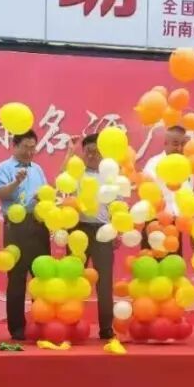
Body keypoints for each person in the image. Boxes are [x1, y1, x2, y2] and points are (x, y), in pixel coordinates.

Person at [0, 130, 49, 340]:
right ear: (14, 145)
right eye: (25, 147)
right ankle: (17, 328)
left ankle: (42, 323)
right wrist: (16, 182)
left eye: (32, 147)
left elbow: (46, 192)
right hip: (16, 227)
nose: (29, 152)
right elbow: (1, 193)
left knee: (41, 277)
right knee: (17, 278)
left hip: (38, 224)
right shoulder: (5, 167)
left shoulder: (38, 169)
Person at [69, 133, 114, 339]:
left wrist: (116, 230)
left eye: (96, 152)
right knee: (74, 279)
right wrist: (70, 151)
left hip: (103, 231)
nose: (92, 155)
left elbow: (117, 205)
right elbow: (61, 181)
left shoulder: (110, 175)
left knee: (104, 282)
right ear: (83, 152)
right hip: (78, 230)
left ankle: (106, 328)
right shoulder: (76, 173)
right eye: (88, 151)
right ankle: (70, 324)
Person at [142, 125, 192, 243]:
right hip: (156, 222)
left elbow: (185, 195)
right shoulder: (154, 163)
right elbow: (148, 192)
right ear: (165, 143)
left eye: (183, 144)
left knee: (174, 255)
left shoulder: (184, 166)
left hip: (176, 224)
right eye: (175, 144)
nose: (179, 148)